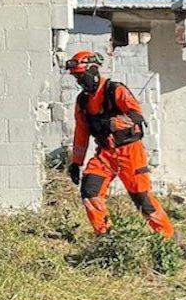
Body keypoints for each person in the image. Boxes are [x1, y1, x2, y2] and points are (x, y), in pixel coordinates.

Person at [65, 50, 174, 239]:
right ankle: (106, 237)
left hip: (130, 152)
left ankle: (166, 238)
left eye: (82, 76)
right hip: (105, 154)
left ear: (93, 70)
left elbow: (136, 115)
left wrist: (115, 122)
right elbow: (81, 132)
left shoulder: (115, 90)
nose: (80, 81)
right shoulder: (82, 101)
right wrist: (76, 162)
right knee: (90, 191)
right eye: (76, 77)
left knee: (142, 197)